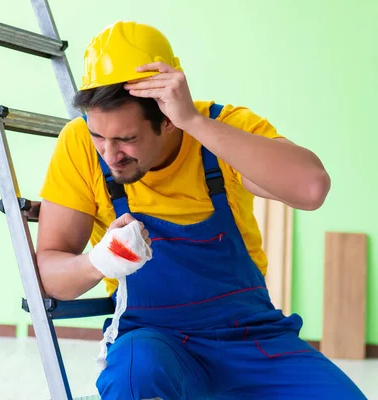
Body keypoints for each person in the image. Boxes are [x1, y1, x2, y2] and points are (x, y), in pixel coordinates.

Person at [35, 21, 366, 400]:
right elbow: (49, 274)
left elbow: (311, 188)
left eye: (127, 140)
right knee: (133, 372)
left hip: (253, 337)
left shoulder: (219, 130)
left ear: (167, 121)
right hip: (155, 339)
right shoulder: (77, 145)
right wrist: (99, 261)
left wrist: (193, 120)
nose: (109, 156)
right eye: (99, 137)